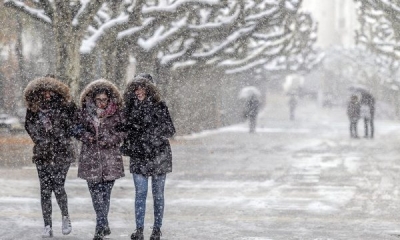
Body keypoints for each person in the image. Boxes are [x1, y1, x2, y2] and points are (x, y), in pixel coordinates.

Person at [118, 73, 175, 240]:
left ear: (150, 88)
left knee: (158, 194)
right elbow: (122, 128)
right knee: (140, 193)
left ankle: (157, 229)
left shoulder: (160, 106)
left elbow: (170, 130)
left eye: (142, 87)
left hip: (159, 155)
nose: (139, 90)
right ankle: (139, 230)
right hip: (139, 155)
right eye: (136, 87)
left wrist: (150, 134)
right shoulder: (128, 107)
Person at [24, 76, 76, 238]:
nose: (47, 94)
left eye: (50, 90)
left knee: (58, 186)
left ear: (56, 89)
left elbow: (74, 123)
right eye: (44, 90)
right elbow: (29, 125)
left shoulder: (66, 105)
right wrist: (40, 139)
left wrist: (61, 135)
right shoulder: (34, 107)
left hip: (63, 152)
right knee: (45, 190)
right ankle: (47, 225)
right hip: (43, 153)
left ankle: (65, 216)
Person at [76, 79, 125, 240]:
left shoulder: (117, 112)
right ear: (93, 99)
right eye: (99, 99)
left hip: (110, 160)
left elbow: (123, 132)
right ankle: (103, 224)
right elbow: (76, 129)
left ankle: (100, 227)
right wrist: (87, 137)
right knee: (96, 196)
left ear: (109, 99)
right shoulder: (84, 112)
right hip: (90, 159)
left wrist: (110, 140)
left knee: (105, 196)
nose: (102, 102)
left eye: (105, 99)